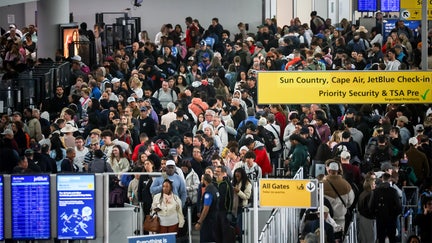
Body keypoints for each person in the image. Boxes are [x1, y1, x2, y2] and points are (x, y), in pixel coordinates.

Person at [369, 173, 402, 243]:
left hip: (380, 219)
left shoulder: (375, 192)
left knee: (381, 238)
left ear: (382, 179)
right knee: (392, 238)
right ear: (390, 180)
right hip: (391, 219)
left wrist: (376, 215)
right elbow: (399, 207)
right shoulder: (393, 191)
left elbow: (371, 206)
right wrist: (394, 215)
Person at [195, 173, 219, 242]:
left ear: (205, 181)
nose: (201, 182)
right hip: (215, 219)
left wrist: (199, 222)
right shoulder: (215, 189)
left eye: (201, 180)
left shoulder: (208, 192)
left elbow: (206, 208)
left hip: (208, 221)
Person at [232, 167, 252, 242]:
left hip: (242, 207)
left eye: (238, 176)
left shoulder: (247, 184)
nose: (237, 178)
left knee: (240, 225)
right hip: (234, 207)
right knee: (235, 225)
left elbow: (247, 196)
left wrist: (238, 191)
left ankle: (241, 240)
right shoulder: (234, 182)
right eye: (235, 176)